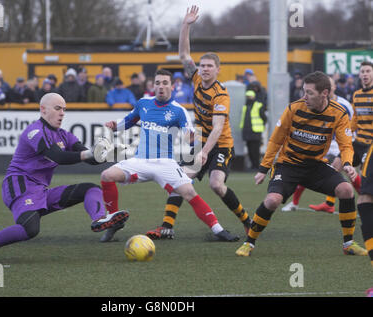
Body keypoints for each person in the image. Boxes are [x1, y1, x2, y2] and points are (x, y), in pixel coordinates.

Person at [0, 93, 129, 263]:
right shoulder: (35, 131)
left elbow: (88, 159)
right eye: (58, 108)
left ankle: (99, 220)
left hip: (40, 190)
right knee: (30, 228)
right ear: (43, 110)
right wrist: (92, 152)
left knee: (91, 189)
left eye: (64, 109)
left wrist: (109, 154)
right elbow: (58, 156)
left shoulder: (64, 135)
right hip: (19, 184)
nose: (62, 113)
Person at [235, 71, 367, 257]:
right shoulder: (294, 109)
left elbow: (346, 144)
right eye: (304, 91)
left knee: (346, 190)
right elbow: (275, 141)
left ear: (324, 93)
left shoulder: (338, 113)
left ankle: (348, 243)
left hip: (315, 166)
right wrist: (264, 168)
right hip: (288, 164)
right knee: (272, 200)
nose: (304, 96)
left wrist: (347, 163)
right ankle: (249, 243)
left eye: (309, 93)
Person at [146, 6, 251, 240]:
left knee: (216, 185)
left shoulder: (221, 94)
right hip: (203, 143)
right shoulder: (195, 78)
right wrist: (186, 25)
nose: (203, 69)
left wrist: (204, 152)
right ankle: (166, 227)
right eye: (202, 66)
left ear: (217, 70)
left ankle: (247, 221)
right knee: (178, 179)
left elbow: (218, 128)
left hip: (221, 146)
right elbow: (184, 54)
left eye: (208, 66)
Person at [98, 69, 239, 243]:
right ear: (153, 86)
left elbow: (190, 135)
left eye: (165, 83)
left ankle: (218, 230)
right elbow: (129, 121)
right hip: (140, 160)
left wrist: (196, 144)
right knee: (107, 176)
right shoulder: (143, 103)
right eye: (157, 83)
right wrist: (115, 126)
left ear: (172, 86)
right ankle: (113, 220)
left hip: (165, 163)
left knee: (189, 193)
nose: (161, 87)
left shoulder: (179, 111)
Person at [282, 76, 358, 213]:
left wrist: (350, 141)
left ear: (332, 88)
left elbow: (351, 126)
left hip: (337, 144)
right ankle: (296, 203)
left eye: (331, 84)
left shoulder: (344, 104)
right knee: (307, 165)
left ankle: (363, 199)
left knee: (343, 170)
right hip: (319, 142)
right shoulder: (312, 103)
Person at [351, 61, 373, 170]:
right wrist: (345, 132)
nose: (365, 74)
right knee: (338, 162)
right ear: (359, 75)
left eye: (368, 71)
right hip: (358, 141)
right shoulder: (356, 95)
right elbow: (355, 119)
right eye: (362, 71)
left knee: (365, 173)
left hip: (371, 144)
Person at [239, 90, 267, 171]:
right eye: (247, 97)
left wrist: (262, 126)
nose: (249, 98)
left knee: (255, 150)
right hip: (247, 131)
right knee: (249, 149)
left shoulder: (258, 105)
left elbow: (264, 118)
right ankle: (253, 166)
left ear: (254, 97)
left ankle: (256, 166)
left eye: (250, 96)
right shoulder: (245, 106)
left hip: (256, 131)